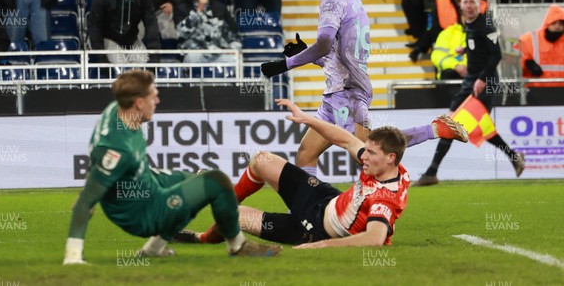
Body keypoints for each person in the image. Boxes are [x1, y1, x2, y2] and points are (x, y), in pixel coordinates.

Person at [176, 99, 469, 247]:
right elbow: (344, 138)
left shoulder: (385, 197)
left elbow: (374, 238)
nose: (364, 158)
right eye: (366, 152)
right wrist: (306, 118)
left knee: (230, 214)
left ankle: (205, 238)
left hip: (313, 231)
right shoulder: (381, 163)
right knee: (262, 160)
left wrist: (321, 247)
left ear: (390, 159)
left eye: (372, 155)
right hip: (326, 198)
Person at [62, 70, 282, 264]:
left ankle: (152, 250)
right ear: (139, 102)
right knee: (216, 181)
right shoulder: (117, 149)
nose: (157, 100)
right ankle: (238, 246)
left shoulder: (118, 110)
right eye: (153, 95)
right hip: (142, 214)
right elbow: (85, 202)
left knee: (193, 181)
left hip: (146, 183)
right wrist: (73, 258)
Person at [260, 0, 373, 178]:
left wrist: (287, 63)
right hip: (342, 90)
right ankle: (305, 211)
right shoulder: (354, 0)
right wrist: (308, 54)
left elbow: (323, 41)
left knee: (369, 158)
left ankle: (431, 132)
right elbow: (339, 57)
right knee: (306, 153)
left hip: (346, 94)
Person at [415, 0, 525, 186]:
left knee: (453, 125)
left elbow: (496, 54)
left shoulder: (487, 23)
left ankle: (431, 171)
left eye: (472, 2)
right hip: (470, 82)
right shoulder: (469, 24)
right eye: (465, 2)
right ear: (461, 6)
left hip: (486, 83)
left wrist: (482, 79)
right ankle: (514, 157)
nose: (469, 5)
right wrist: (466, 49)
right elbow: (482, 47)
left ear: (478, 4)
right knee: (458, 124)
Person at [87, 0, 160, 64]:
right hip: (108, 38)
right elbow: (94, 26)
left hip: (131, 40)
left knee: (143, 68)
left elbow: (151, 23)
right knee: (123, 67)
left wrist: (154, 54)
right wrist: (100, 56)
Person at [174, 0, 240, 63]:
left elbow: (235, 33)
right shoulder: (182, 9)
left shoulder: (220, 7)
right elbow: (180, 33)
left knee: (233, 60)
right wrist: (198, 11)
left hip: (219, 53)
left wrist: (233, 48)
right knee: (192, 58)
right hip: (195, 53)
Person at [515, 5, 564, 87]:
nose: (557, 26)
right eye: (554, 23)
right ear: (547, 23)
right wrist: (527, 63)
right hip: (536, 89)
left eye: (561, 24)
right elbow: (515, 58)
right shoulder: (529, 39)